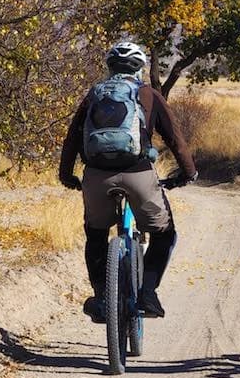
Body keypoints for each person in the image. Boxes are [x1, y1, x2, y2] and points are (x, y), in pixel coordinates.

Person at [59, 41, 198, 321]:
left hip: (96, 176)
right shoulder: (149, 95)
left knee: (96, 234)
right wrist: (187, 173)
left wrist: (66, 175)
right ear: (140, 68)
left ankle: (100, 298)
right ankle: (147, 291)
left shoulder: (94, 95)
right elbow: (175, 139)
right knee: (165, 233)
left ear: (110, 67)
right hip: (139, 175)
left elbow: (72, 138)